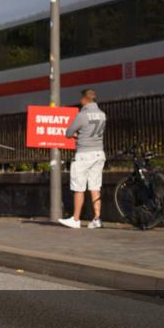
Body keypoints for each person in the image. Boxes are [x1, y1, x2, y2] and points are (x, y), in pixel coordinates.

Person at [60, 89, 107, 229]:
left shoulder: (82, 115)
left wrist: (76, 135)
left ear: (85, 99)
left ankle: (75, 219)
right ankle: (97, 218)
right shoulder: (102, 114)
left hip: (84, 154)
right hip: (99, 153)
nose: (80, 101)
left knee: (79, 188)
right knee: (95, 187)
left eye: (81, 98)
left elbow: (68, 132)